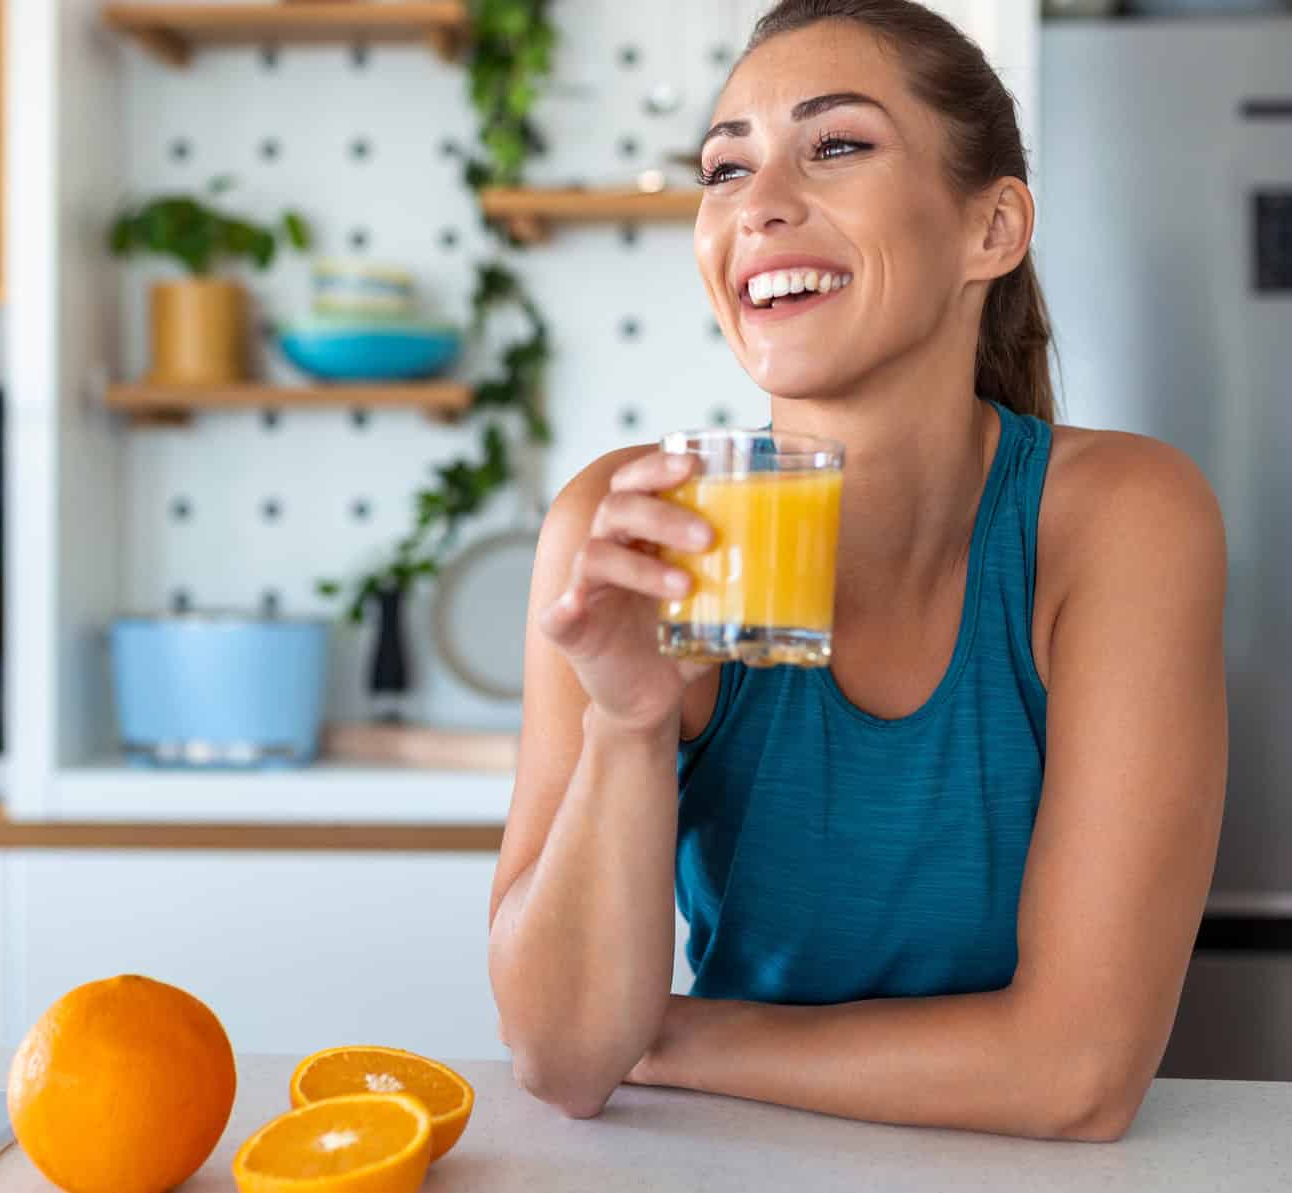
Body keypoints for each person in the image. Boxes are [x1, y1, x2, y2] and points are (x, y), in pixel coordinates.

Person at [487, 0, 1227, 1142]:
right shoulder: (629, 530)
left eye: (836, 146)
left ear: (992, 227)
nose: (761, 204)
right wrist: (628, 720)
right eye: (724, 168)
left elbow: (1078, 1073)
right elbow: (566, 1054)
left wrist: (668, 1033)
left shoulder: (1122, 520)